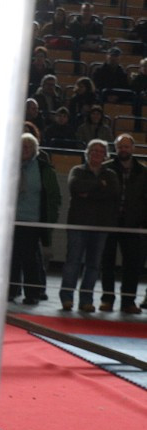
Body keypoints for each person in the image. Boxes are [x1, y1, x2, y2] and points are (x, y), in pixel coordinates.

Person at [60, 138, 120, 312]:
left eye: (101, 152)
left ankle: (86, 300)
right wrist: (99, 186)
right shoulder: (77, 170)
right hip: (78, 225)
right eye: (94, 151)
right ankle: (67, 298)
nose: (97, 154)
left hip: (100, 226)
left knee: (93, 265)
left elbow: (113, 192)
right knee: (73, 262)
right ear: (87, 153)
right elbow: (75, 187)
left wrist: (89, 192)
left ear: (105, 156)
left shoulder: (110, 175)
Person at [9, 133, 61, 305]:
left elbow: (53, 196)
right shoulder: (9, 166)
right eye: (22, 146)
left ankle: (32, 293)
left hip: (33, 221)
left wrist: (49, 221)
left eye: (28, 147)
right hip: (11, 221)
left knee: (30, 259)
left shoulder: (43, 169)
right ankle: (10, 291)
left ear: (34, 150)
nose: (24, 150)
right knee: (11, 258)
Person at [99, 134, 147, 314]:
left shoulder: (143, 172)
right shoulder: (105, 168)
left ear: (133, 148)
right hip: (110, 223)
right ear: (115, 148)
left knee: (132, 265)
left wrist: (143, 222)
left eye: (126, 146)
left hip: (133, 224)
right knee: (107, 263)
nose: (123, 150)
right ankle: (107, 300)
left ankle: (128, 302)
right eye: (120, 147)